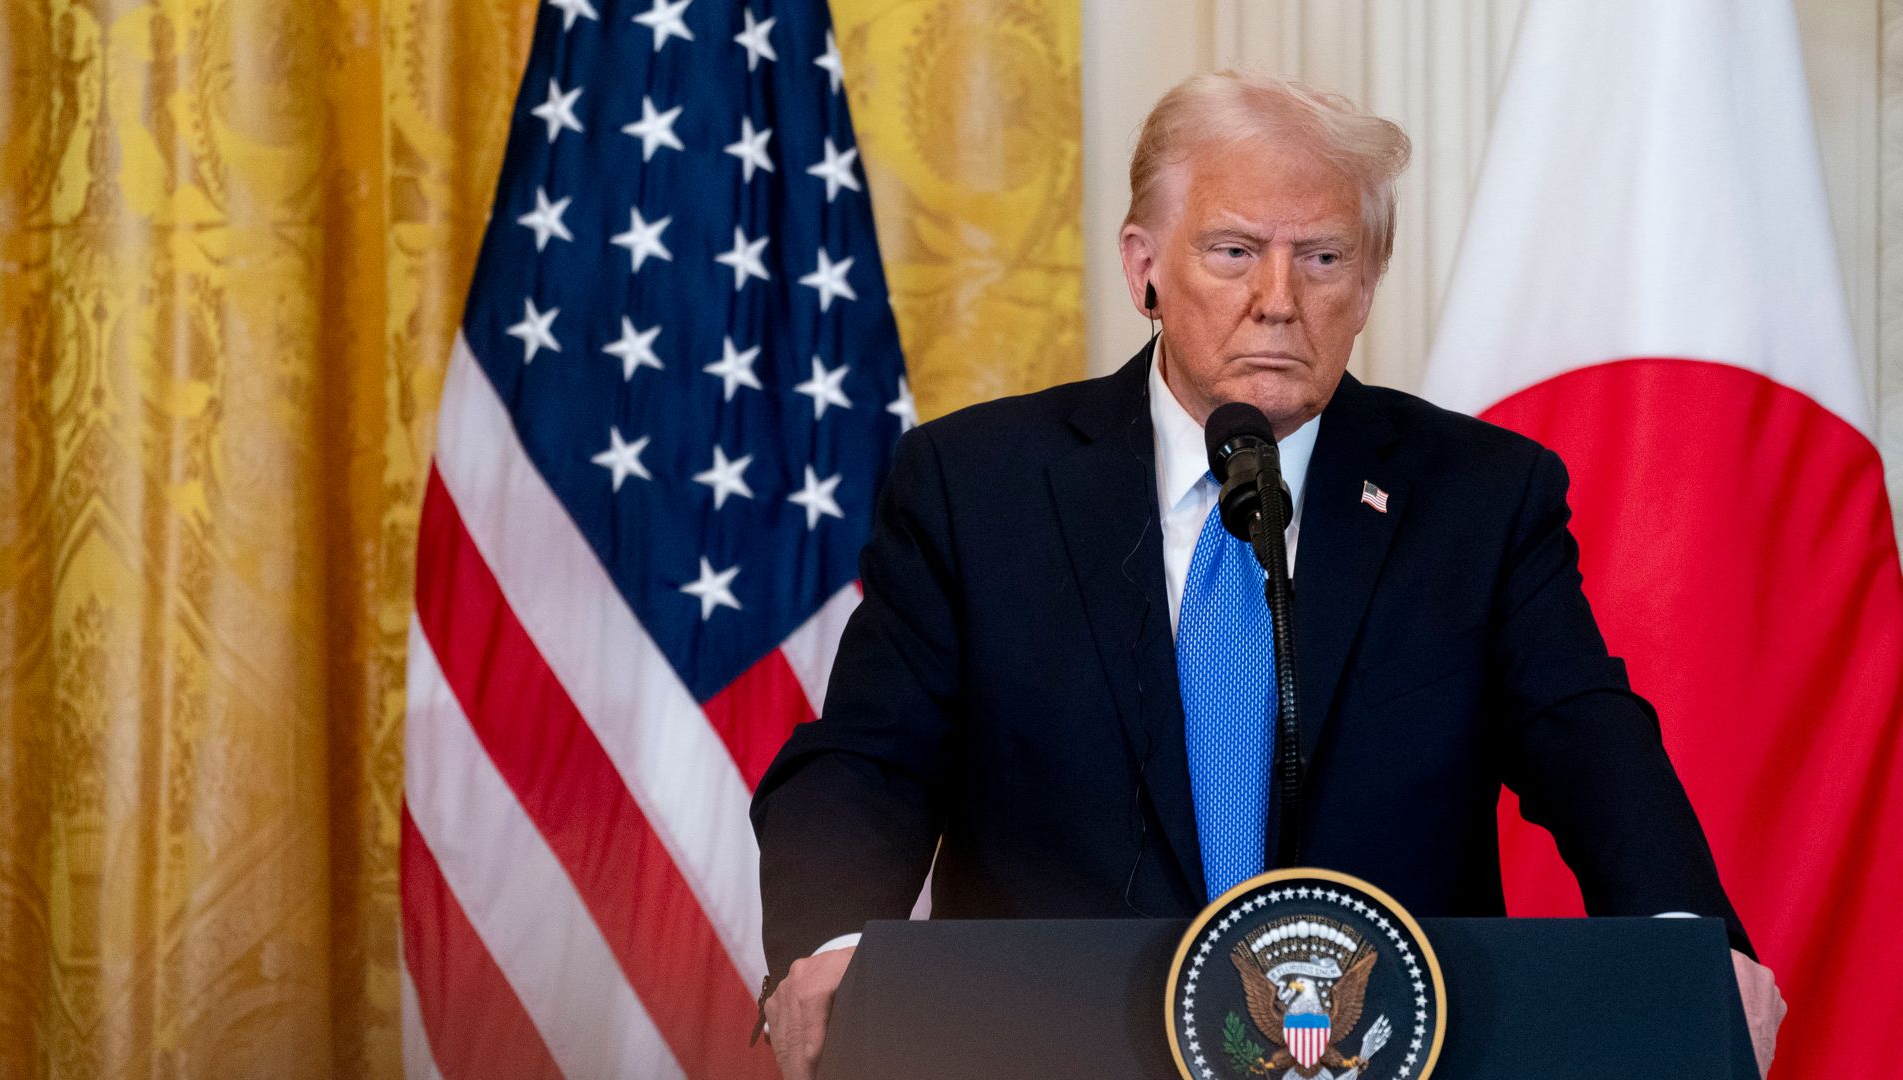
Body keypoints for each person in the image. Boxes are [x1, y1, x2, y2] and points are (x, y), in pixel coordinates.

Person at [750, 70, 1785, 1080]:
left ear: (1371, 280)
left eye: (1325, 256)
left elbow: (1588, 738)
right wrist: (834, 946)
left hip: (1386, 1051)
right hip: (1044, 1045)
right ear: (1143, 266)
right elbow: (868, 762)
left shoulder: (1478, 496)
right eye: (1234, 250)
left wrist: (1686, 942)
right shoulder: (978, 486)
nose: (1277, 300)